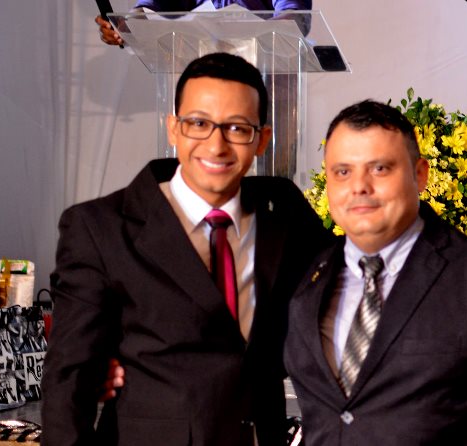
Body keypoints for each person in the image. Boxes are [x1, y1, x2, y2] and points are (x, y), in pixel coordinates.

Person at [41, 52, 331, 446]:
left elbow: (345, 290)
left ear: (262, 139)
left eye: (237, 128)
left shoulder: (285, 212)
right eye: (198, 123)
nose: (216, 145)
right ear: (173, 129)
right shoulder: (100, 228)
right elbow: (68, 382)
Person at [283, 100, 467, 445]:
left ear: (420, 174)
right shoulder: (307, 276)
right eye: (343, 172)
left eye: (379, 168)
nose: (359, 186)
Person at [96, 0, 312, 47]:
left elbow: (295, 16)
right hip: (204, 77)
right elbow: (151, 6)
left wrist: (248, 32)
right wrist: (125, 27)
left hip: (268, 77)